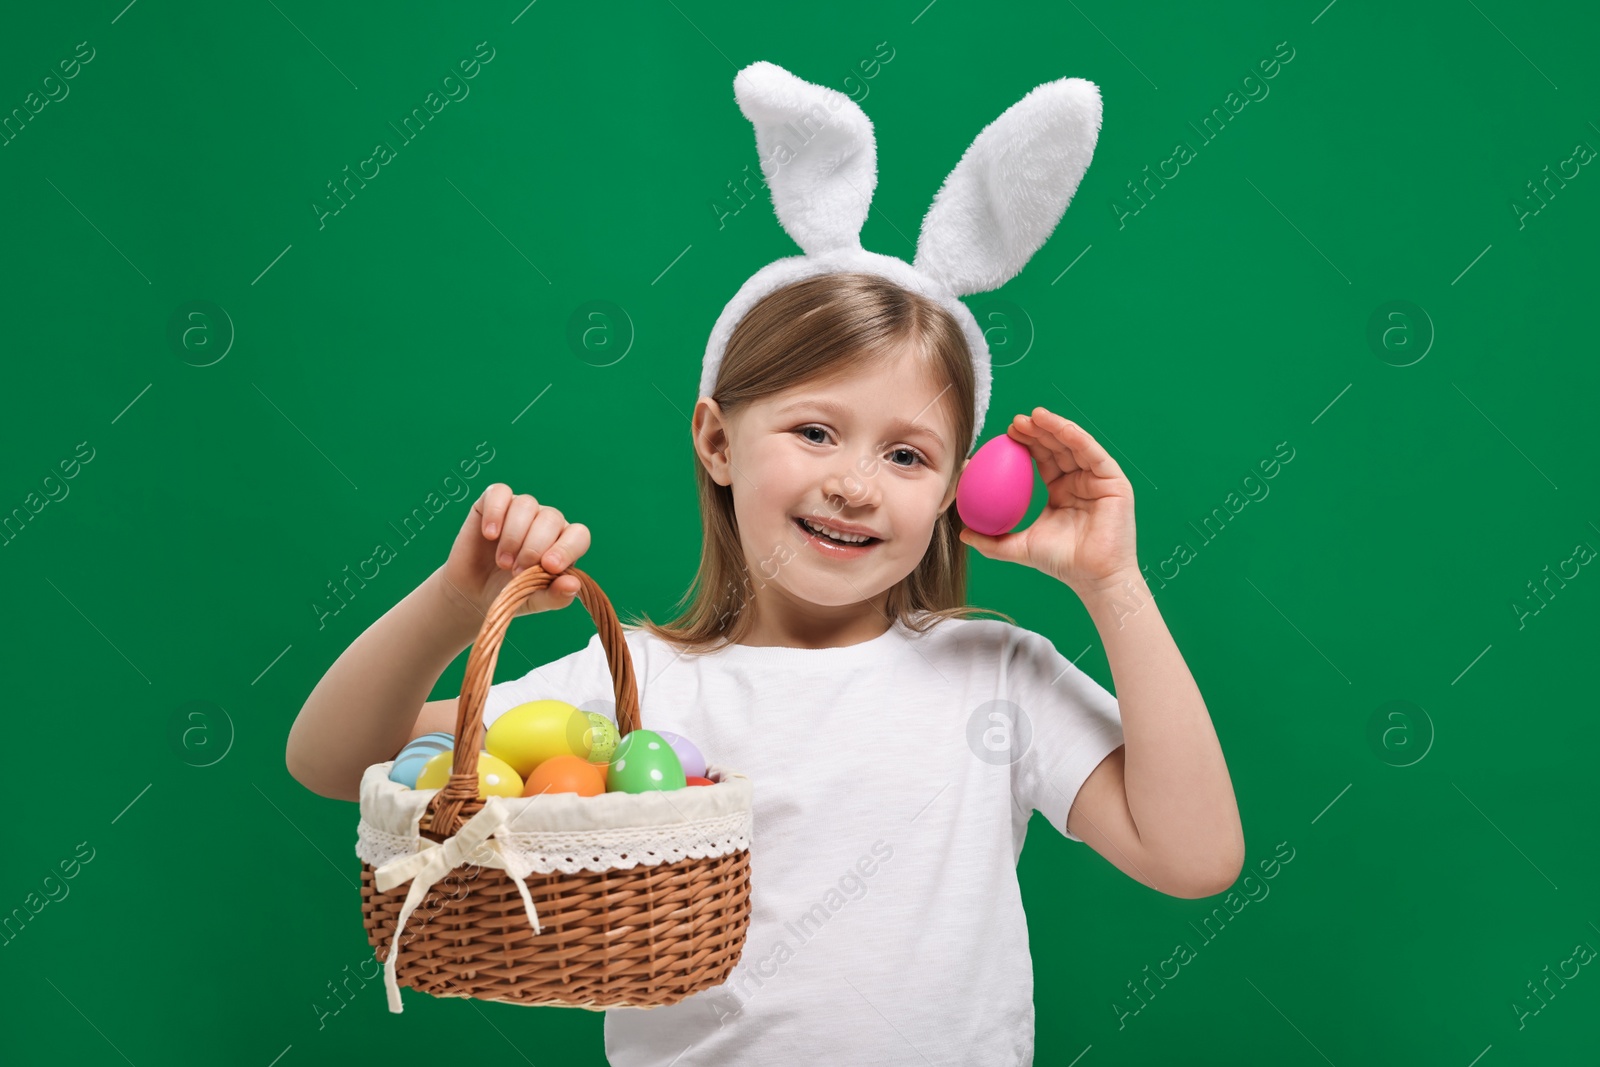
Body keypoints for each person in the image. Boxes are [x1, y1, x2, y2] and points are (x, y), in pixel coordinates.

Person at [287, 62, 1243, 1067]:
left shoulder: (996, 674)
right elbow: (329, 758)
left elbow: (1195, 856)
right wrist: (452, 603)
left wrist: (1112, 583)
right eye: (816, 430)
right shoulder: (637, 686)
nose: (856, 484)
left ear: (956, 489)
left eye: (907, 454)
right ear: (715, 440)